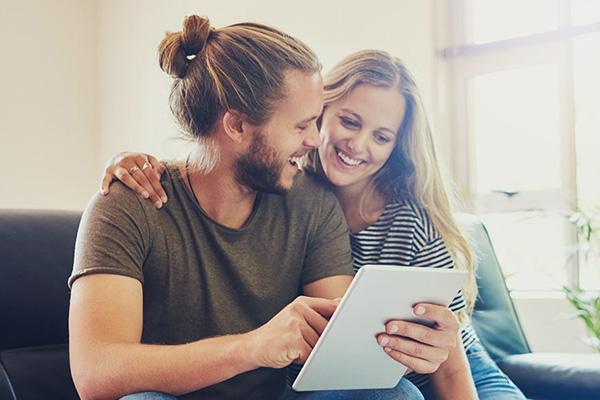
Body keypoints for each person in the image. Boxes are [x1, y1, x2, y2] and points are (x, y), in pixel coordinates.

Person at [104, 49, 527, 400]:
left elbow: (450, 367)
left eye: (381, 137)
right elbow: (216, 157)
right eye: (349, 121)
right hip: (368, 374)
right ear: (318, 113)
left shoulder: (408, 224)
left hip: (452, 370)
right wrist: (128, 161)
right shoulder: (281, 175)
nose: (358, 145)